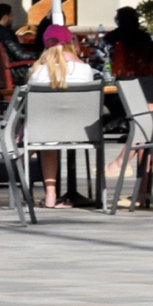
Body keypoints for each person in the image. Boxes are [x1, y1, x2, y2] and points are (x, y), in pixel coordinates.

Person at [28, 38, 98, 207]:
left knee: (44, 133)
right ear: (71, 45)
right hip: (81, 131)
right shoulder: (85, 69)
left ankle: (50, 194)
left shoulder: (38, 71)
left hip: (47, 132)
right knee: (48, 131)